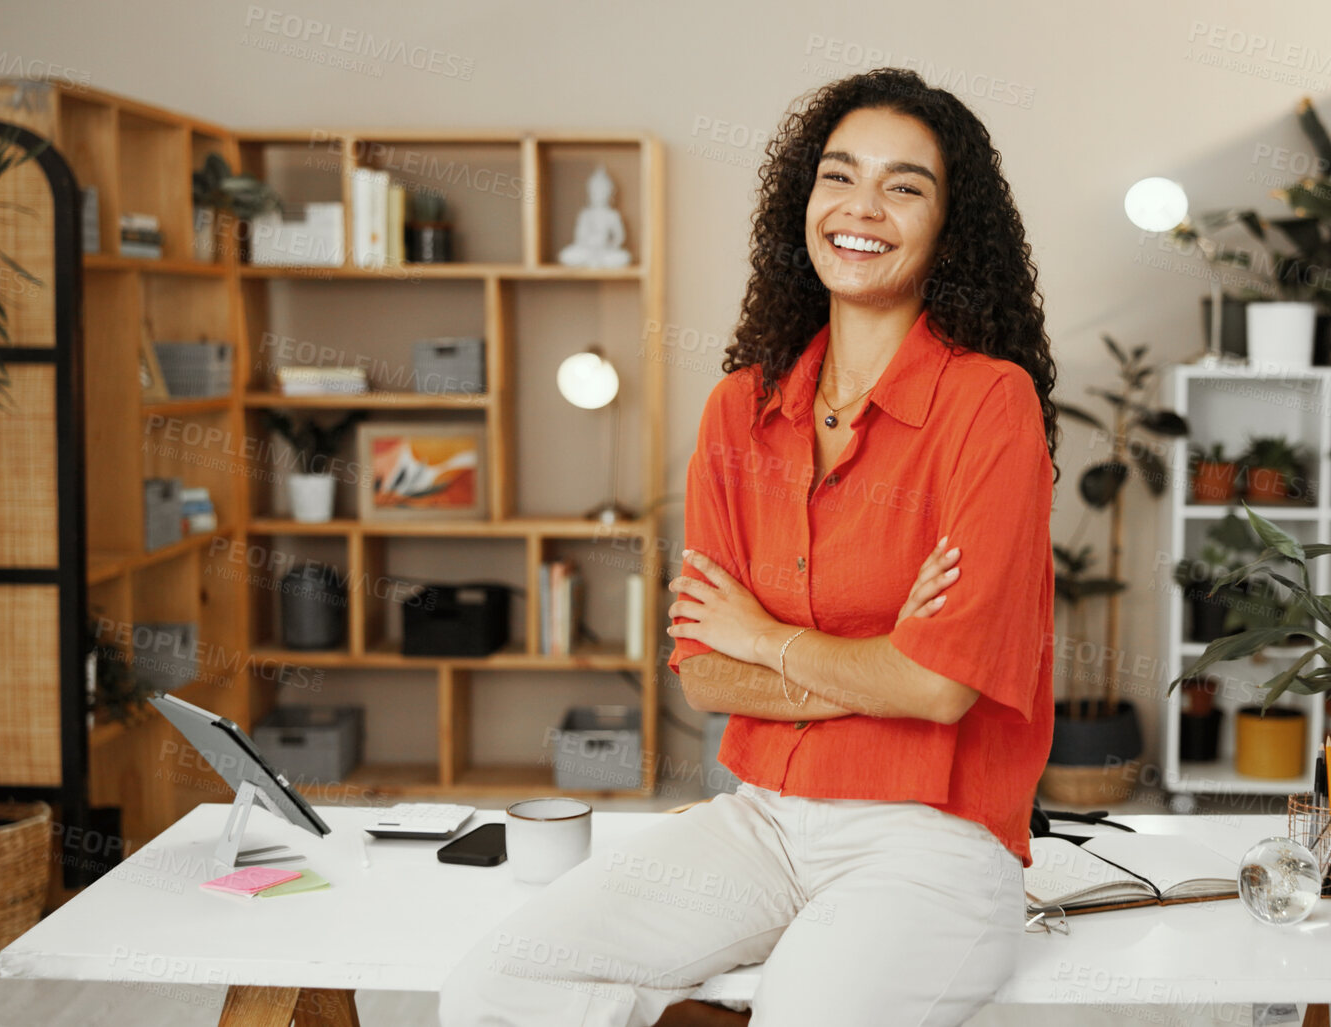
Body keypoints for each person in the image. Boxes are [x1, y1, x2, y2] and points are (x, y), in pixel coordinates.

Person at [439, 67, 1057, 1027]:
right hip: (762, 820)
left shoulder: (989, 406)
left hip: (933, 842)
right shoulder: (741, 408)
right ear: (801, 202)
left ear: (950, 225)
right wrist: (881, 658)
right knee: (495, 983)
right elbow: (703, 673)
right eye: (838, 176)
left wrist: (765, 638)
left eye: (905, 186)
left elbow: (943, 690)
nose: (862, 208)